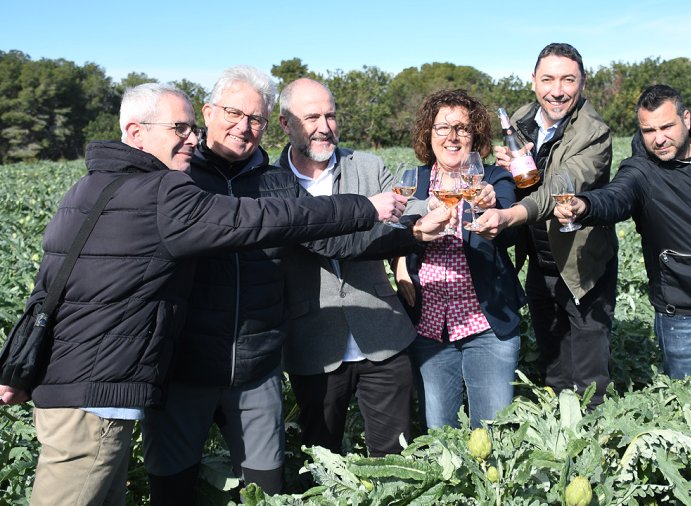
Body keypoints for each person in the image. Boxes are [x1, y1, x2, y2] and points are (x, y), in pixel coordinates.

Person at [0, 82, 406, 506]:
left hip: (247, 364)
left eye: (256, 119)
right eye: (184, 126)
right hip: (172, 371)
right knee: (163, 489)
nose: (193, 137)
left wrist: (20, 363)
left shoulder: (92, 188)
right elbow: (258, 220)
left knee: (261, 490)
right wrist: (364, 206)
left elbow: (53, 281)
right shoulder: (170, 185)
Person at [139, 67, 449, 503]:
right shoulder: (178, 175)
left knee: (267, 488)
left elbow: (328, 232)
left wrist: (410, 233)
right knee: (173, 487)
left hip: (256, 360)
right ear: (207, 113)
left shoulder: (275, 183)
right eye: (232, 113)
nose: (243, 127)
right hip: (187, 361)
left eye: (255, 120)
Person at [556, 84, 691, 384]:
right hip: (684, 315)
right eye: (648, 130)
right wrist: (584, 204)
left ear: (686, 118)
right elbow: (616, 197)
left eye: (666, 126)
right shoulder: (641, 172)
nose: (658, 139)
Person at [276, 78, 418, 457]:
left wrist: (421, 227)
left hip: (384, 336)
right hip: (314, 345)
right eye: (311, 118)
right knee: (323, 462)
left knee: (394, 464)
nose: (324, 127)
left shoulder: (368, 166)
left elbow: (412, 210)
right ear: (285, 124)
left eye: (331, 115)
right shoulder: (272, 186)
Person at [473, 43, 618, 409]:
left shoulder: (595, 133)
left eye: (568, 79)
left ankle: (593, 449)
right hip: (540, 262)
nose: (558, 90)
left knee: (588, 379)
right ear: (534, 81)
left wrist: (509, 216)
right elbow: (515, 179)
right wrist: (506, 170)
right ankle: (557, 449)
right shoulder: (520, 120)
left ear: (582, 83)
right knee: (552, 367)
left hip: (582, 266)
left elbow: (560, 188)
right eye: (548, 79)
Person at [394, 89, 526, 430]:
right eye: (442, 128)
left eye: (462, 129)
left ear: (475, 135)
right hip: (429, 326)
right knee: (440, 434)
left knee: (493, 433)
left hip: (486, 324)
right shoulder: (414, 181)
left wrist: (489, 206)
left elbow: (509, 228)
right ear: (428, 133)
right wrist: (398, 265)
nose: (452, 137)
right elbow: (395, 229)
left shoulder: (493, 178)